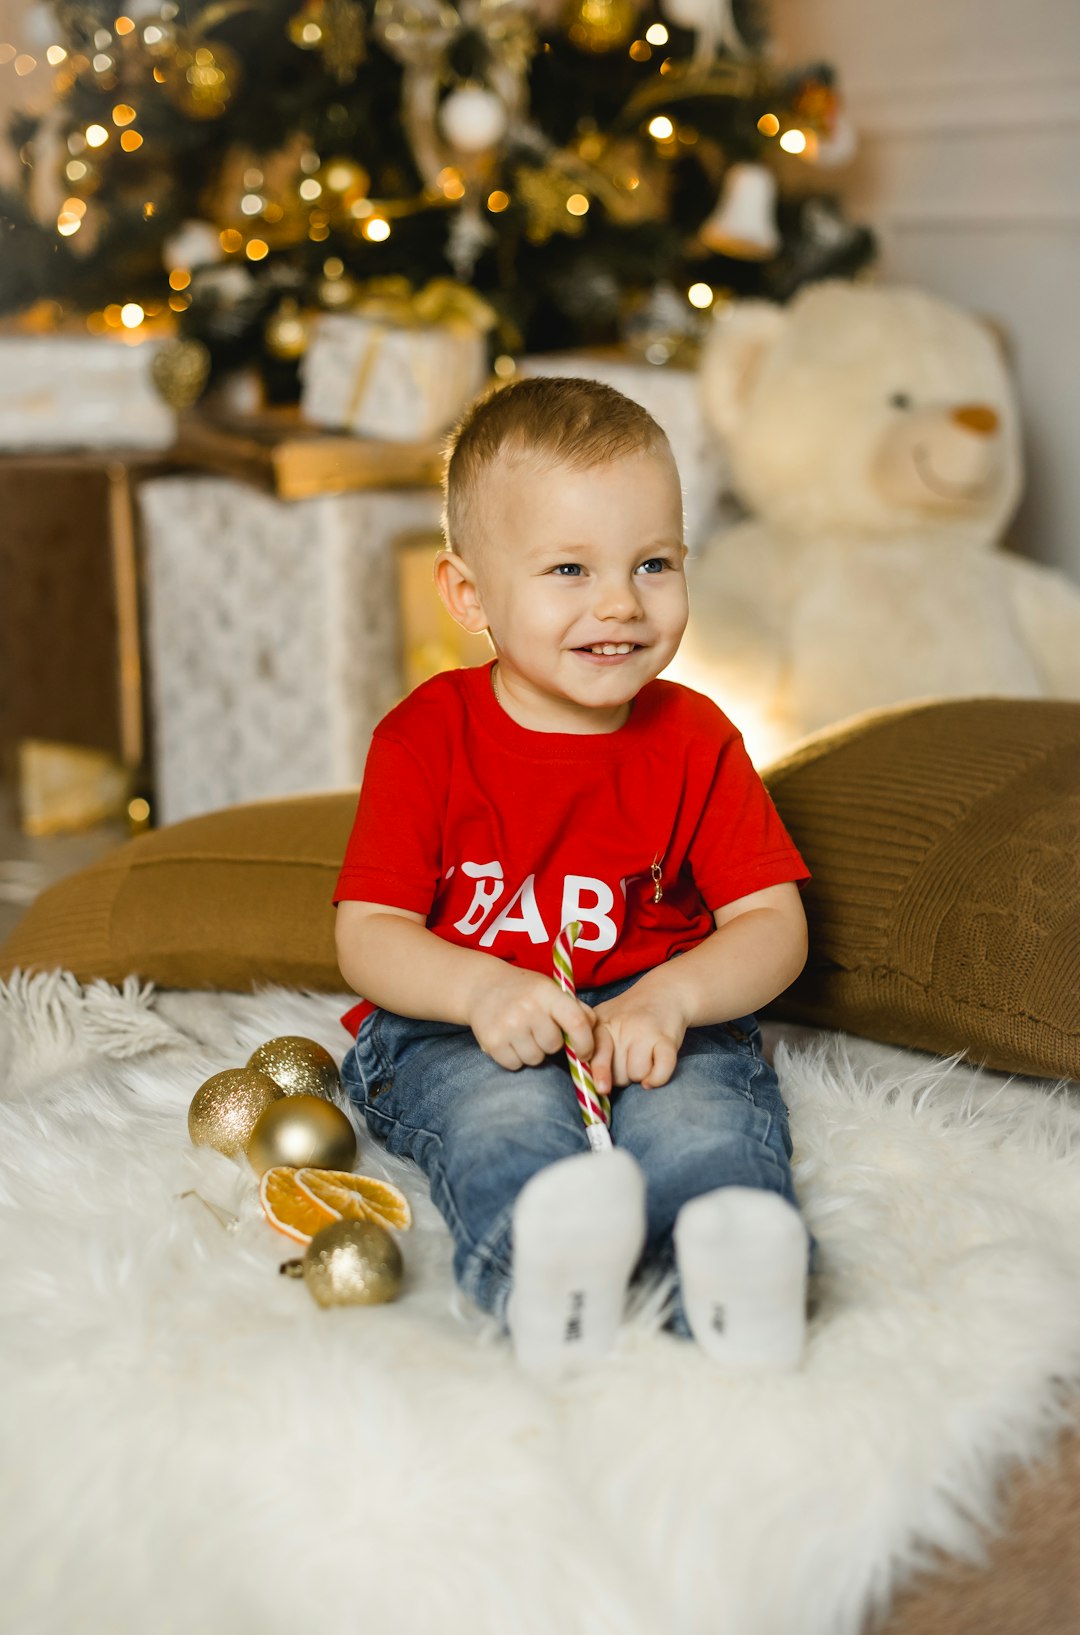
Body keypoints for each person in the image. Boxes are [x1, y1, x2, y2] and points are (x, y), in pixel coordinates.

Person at [334, 375, 813, 1378]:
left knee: (702, 1112)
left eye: (652, 563)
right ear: (470, 596)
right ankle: (543, 1266)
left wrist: (675, 996)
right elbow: (369, 932)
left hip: (649, 1006)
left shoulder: (696, 739)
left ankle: (732, 1267)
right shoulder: (426, 738)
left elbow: (772, 921)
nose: (619, 604)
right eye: (567, 568)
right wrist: (478, 988)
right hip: (460, 1021)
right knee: (503, 1117)